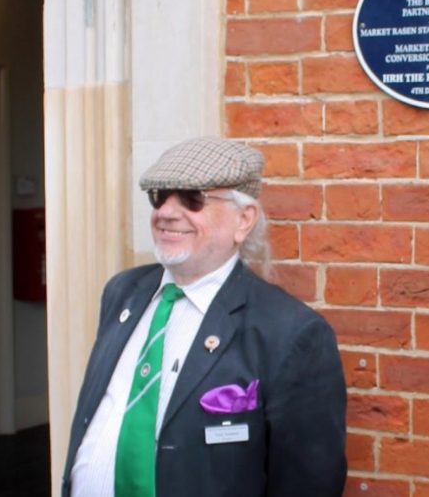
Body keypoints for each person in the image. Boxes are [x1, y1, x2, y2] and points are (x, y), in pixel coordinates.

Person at [62, 137, 347, 497]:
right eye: (159, 196)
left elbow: (308, 484)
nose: (166, 212)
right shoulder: (123, 293)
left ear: (243, 220)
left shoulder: (290, 333)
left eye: (192, 199)